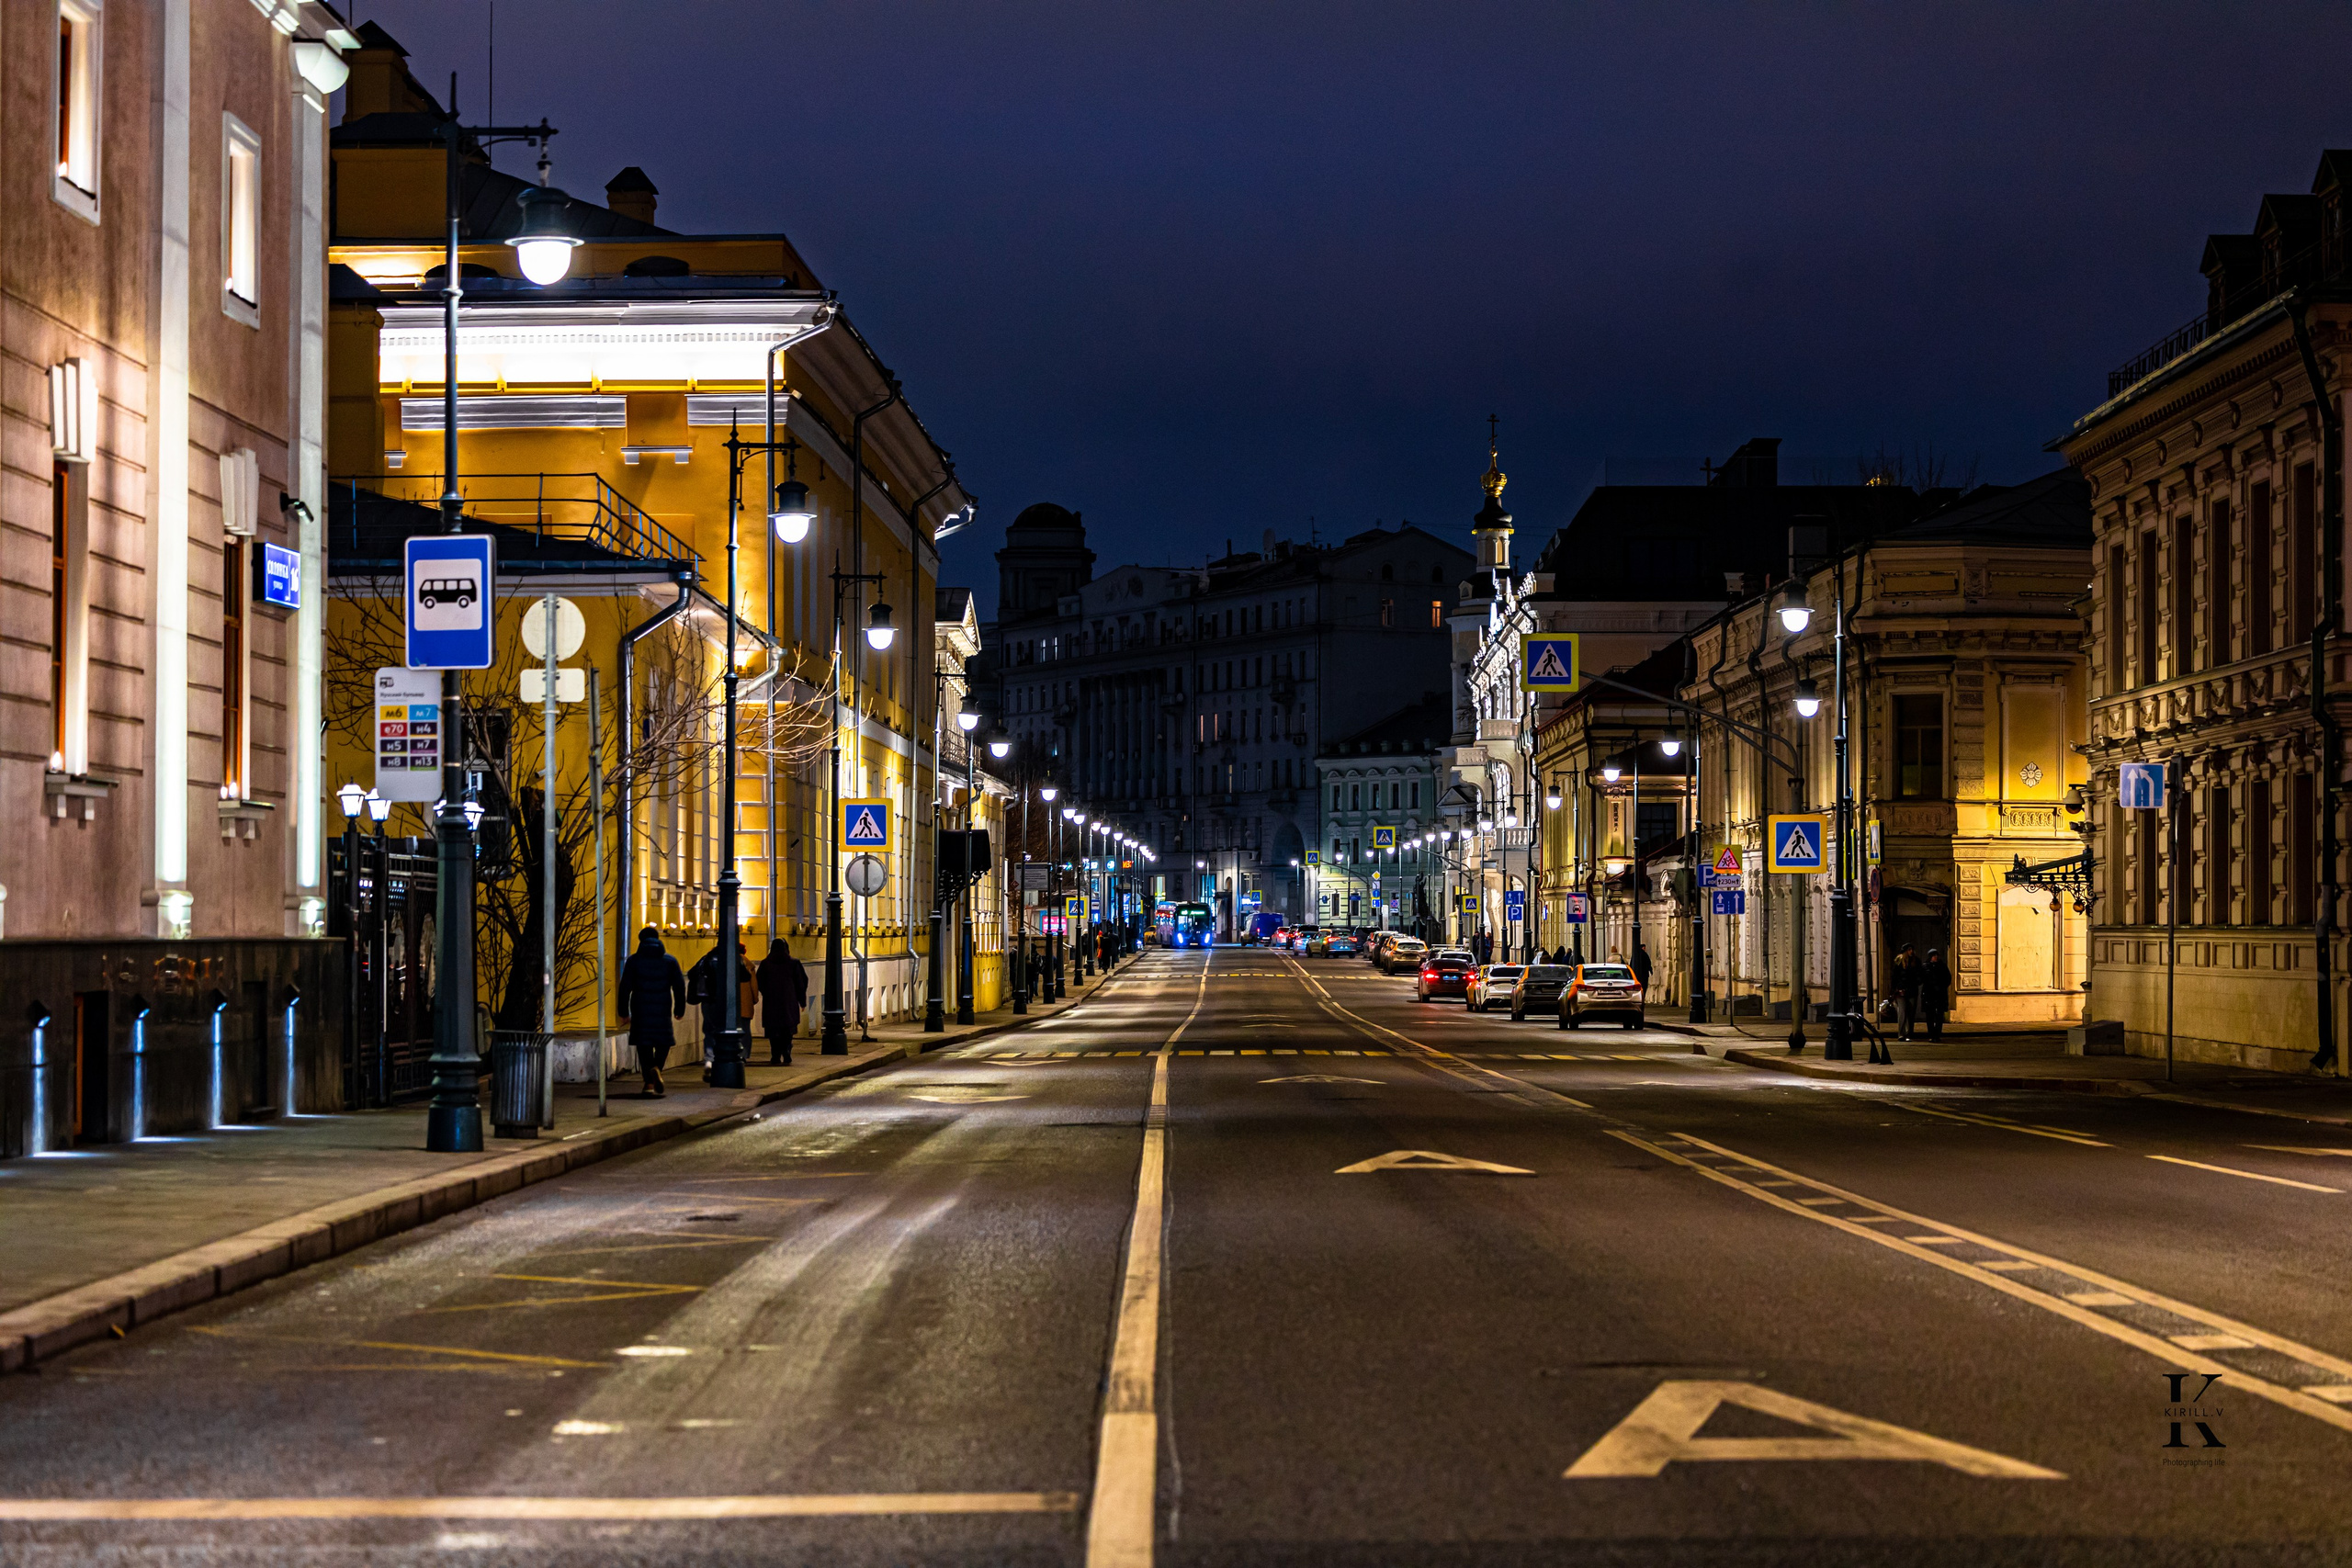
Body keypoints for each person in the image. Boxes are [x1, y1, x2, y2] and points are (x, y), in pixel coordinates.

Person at [616, 927, 685, 1098]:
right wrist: (679, 1009)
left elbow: (625, 988)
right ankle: (656, 1069)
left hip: (640, 1009)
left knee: (644, 1044)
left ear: (640, 940)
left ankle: (648, 1082)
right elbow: (679, 986)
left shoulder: (633, 961)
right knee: (663, 1042)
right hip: (662, 1008)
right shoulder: (670, 961)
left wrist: (623, 1012)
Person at [688, 941, 756, 1078]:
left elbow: (691, 974)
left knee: (709, 1031)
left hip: (708, 1002)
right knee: (729, 1031)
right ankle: (729, 1060)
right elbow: (745, 976)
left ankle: (709, 1060)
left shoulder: (706, 957)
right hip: (727, 1001)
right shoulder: (734, 959)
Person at [756, 941, 810, 1066]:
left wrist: (767, 992)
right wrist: (802, 1001)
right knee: (788, 1029)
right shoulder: (793, 963)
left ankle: (775, 1055)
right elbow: (801, 983)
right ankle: (786, 1051)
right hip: (789, 1002)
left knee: (773, 1030)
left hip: (771, 1003)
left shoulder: (766, 964)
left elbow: (759, 981)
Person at [1918, 948, 1952, 1042]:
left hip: (1940, 994)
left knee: (1939, 1016)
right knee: (1930, 1015)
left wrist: (1941, 986)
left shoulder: (1942, 966)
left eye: (1937, 955)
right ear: (1930, 957)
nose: (1936, 957)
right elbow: (1922, 979)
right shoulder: (1925, 966)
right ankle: (1931, 1034)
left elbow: (1948, 978)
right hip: (1929, 994)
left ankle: (1937, 1035)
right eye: (1934, 955)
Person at [1891, 944, 1920, 1041]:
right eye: (1909, 950)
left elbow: (1920, 975)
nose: (1911, 951)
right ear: (1905, 951)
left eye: (1912, 949)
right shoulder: (1899, 961)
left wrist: (1917, 982)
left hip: (1912, 990)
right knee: (1902, 1012)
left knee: (1910, 1013)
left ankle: (1909, 1034)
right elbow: (1894, 977)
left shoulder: (1916, 961)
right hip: (1901, 991)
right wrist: (1893, 990)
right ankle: (1901, 1034)